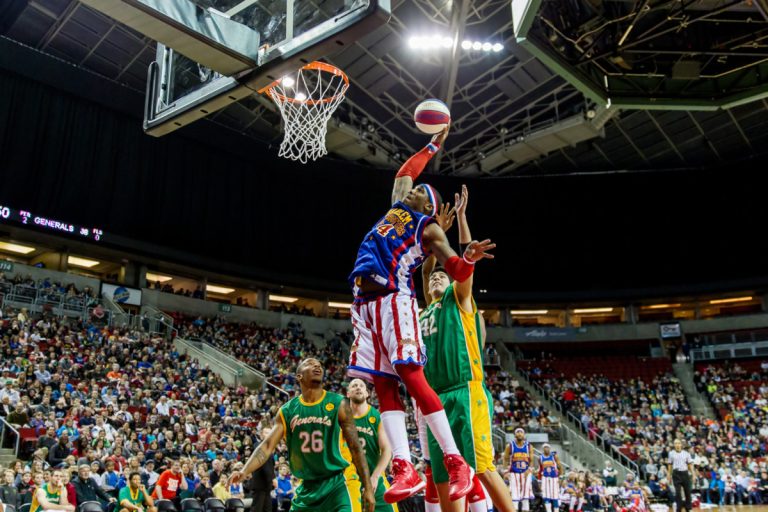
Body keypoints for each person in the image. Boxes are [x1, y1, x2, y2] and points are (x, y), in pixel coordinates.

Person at [348, 126, 494, 504]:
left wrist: (469, 258)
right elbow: (404, 173)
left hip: (395, 299)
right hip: (364, 306)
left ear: (427, 206)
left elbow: (457, 271)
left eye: (419, 191)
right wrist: (433, 145)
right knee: (382, 385)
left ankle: (456, 460)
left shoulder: (427, 229)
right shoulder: (396, 208)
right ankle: (403, 465)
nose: (413, 188)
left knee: (411, 377)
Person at [417, 184, 510, 512]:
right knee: (443, 476)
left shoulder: (457, 300)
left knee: (482, 468)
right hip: (435, 400)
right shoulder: (426, 311)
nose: (435, 279)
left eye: (441, 277)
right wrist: (432, 236)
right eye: (431, 280)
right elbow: (428, 268)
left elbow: (463, 266)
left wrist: (463, 232)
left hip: (464, 391)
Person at [231, 358, 375, 512]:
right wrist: (244, 470)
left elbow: (356, 447)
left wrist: (368, 488)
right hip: (307, 487)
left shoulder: (339, 403)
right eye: (310, 364)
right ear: (299, 376)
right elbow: (267, 446)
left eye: (319, 365)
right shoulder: (287, 411)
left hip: (340, 482)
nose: (317, 366)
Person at [342, 379, 396, 512]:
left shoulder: (376, 416)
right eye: (354, 386)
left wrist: (376, 476)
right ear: (348, 393)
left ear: (367, 393)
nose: (358, 388)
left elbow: (386, 450)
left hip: (374, 478)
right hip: (348, 479)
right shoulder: (341, 418)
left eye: (361, 386)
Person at [243, 427, 274, 512]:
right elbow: (265, 465)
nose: (269, 434)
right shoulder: (259, 445)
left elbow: (270, 466)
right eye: (266, 433)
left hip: (266, 485)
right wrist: (272, 478)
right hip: (260, 483)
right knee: (257, 509)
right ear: (261, 435)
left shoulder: (268, 447)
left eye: (270, 432)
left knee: (267, 509)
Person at [503, 428, 534, 512]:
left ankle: (525, 509)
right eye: (518, 432)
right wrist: (505, 472)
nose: (520, 434)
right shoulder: (510, 445)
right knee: (514, 494)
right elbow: (505, 459)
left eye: (521, 432)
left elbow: (531, 460)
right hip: (514, 472)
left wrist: (530, 469)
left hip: (526, 473)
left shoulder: (529, 446)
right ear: (515, 435)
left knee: (526, 495)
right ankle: (514, 509)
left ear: (524, 435)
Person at [666, 439, 693, 512]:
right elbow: (670, 465)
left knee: (687, 491)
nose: (677, 445)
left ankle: (688, 508)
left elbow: (690, 464)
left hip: (685, 473)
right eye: (675, 443)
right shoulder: (671, 453)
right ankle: (679, 508)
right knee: (678, 493)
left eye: (678, 443)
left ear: (681, 444)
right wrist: (669, 474)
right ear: (674, 445)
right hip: (676, 473)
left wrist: (693, 474)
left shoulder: (686, 453)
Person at [537, 444, 562, 512]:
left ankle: (556, 510)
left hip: (554, 477)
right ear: (543, 449)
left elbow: (560, 466)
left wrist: (560, 476)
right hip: (545, 478)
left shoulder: (554, 456)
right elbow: (540, 469)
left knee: (555, 495)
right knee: (546, 495)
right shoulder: (540, 458)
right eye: (545, 448)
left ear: (550, 448)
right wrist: (539, 481)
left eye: (547, 447)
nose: (546, 449)